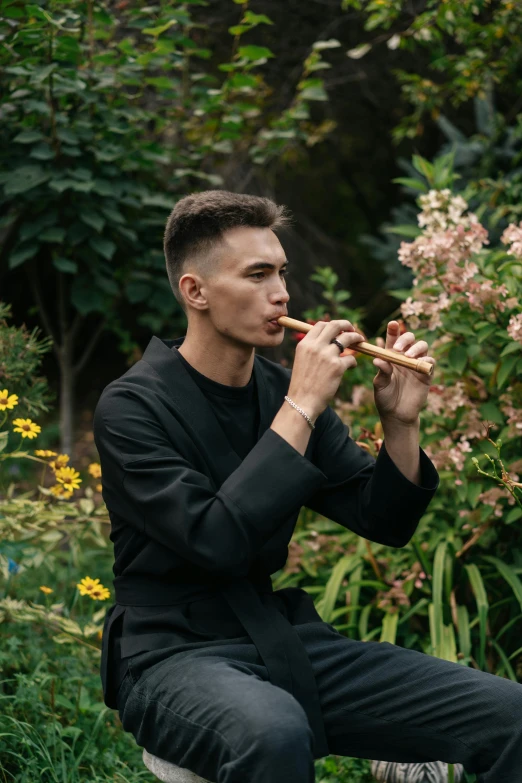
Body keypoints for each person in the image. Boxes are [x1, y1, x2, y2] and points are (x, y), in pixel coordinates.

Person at [93, 191, 522, 783]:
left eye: (283, 272)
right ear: (195, 292)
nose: (282, 293)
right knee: (272, 733)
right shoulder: (131, 407)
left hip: (278, 638)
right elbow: (215, 539)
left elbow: (385, 521)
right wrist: (302, 403)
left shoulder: (278, 390)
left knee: (511, 714)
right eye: (258, 274)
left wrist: (400, 423)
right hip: (169, 655)